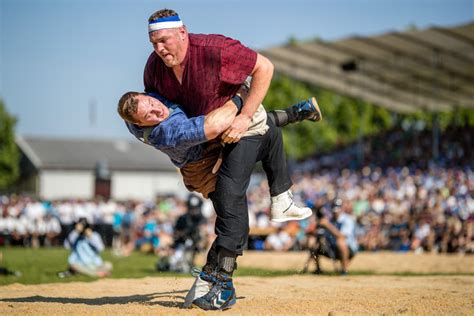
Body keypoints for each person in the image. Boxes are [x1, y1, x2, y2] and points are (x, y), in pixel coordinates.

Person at [142, 8, 321, 310]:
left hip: (241, 126)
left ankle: (222, 282)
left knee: (230, 196)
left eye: (164, 40)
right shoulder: (154, 69)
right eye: (153, 43)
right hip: (210, 142)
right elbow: (165, 115)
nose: (159, 49)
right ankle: (294, 117)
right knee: (231, 204)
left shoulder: (215, 49)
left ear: (182, 32)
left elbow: (264, 67)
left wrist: (243, 113)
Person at [309, 199, 358, 275]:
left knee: (340, 242)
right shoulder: (330, 220)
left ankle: (344, 271)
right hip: (333, 247)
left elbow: (342, 237)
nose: (335, 212)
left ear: (342, 209)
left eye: (337, 209)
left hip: (348, 249)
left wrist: (328, 225)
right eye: (334, 210)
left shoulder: (348, 220)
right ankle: (318, 269)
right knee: (314, 243)